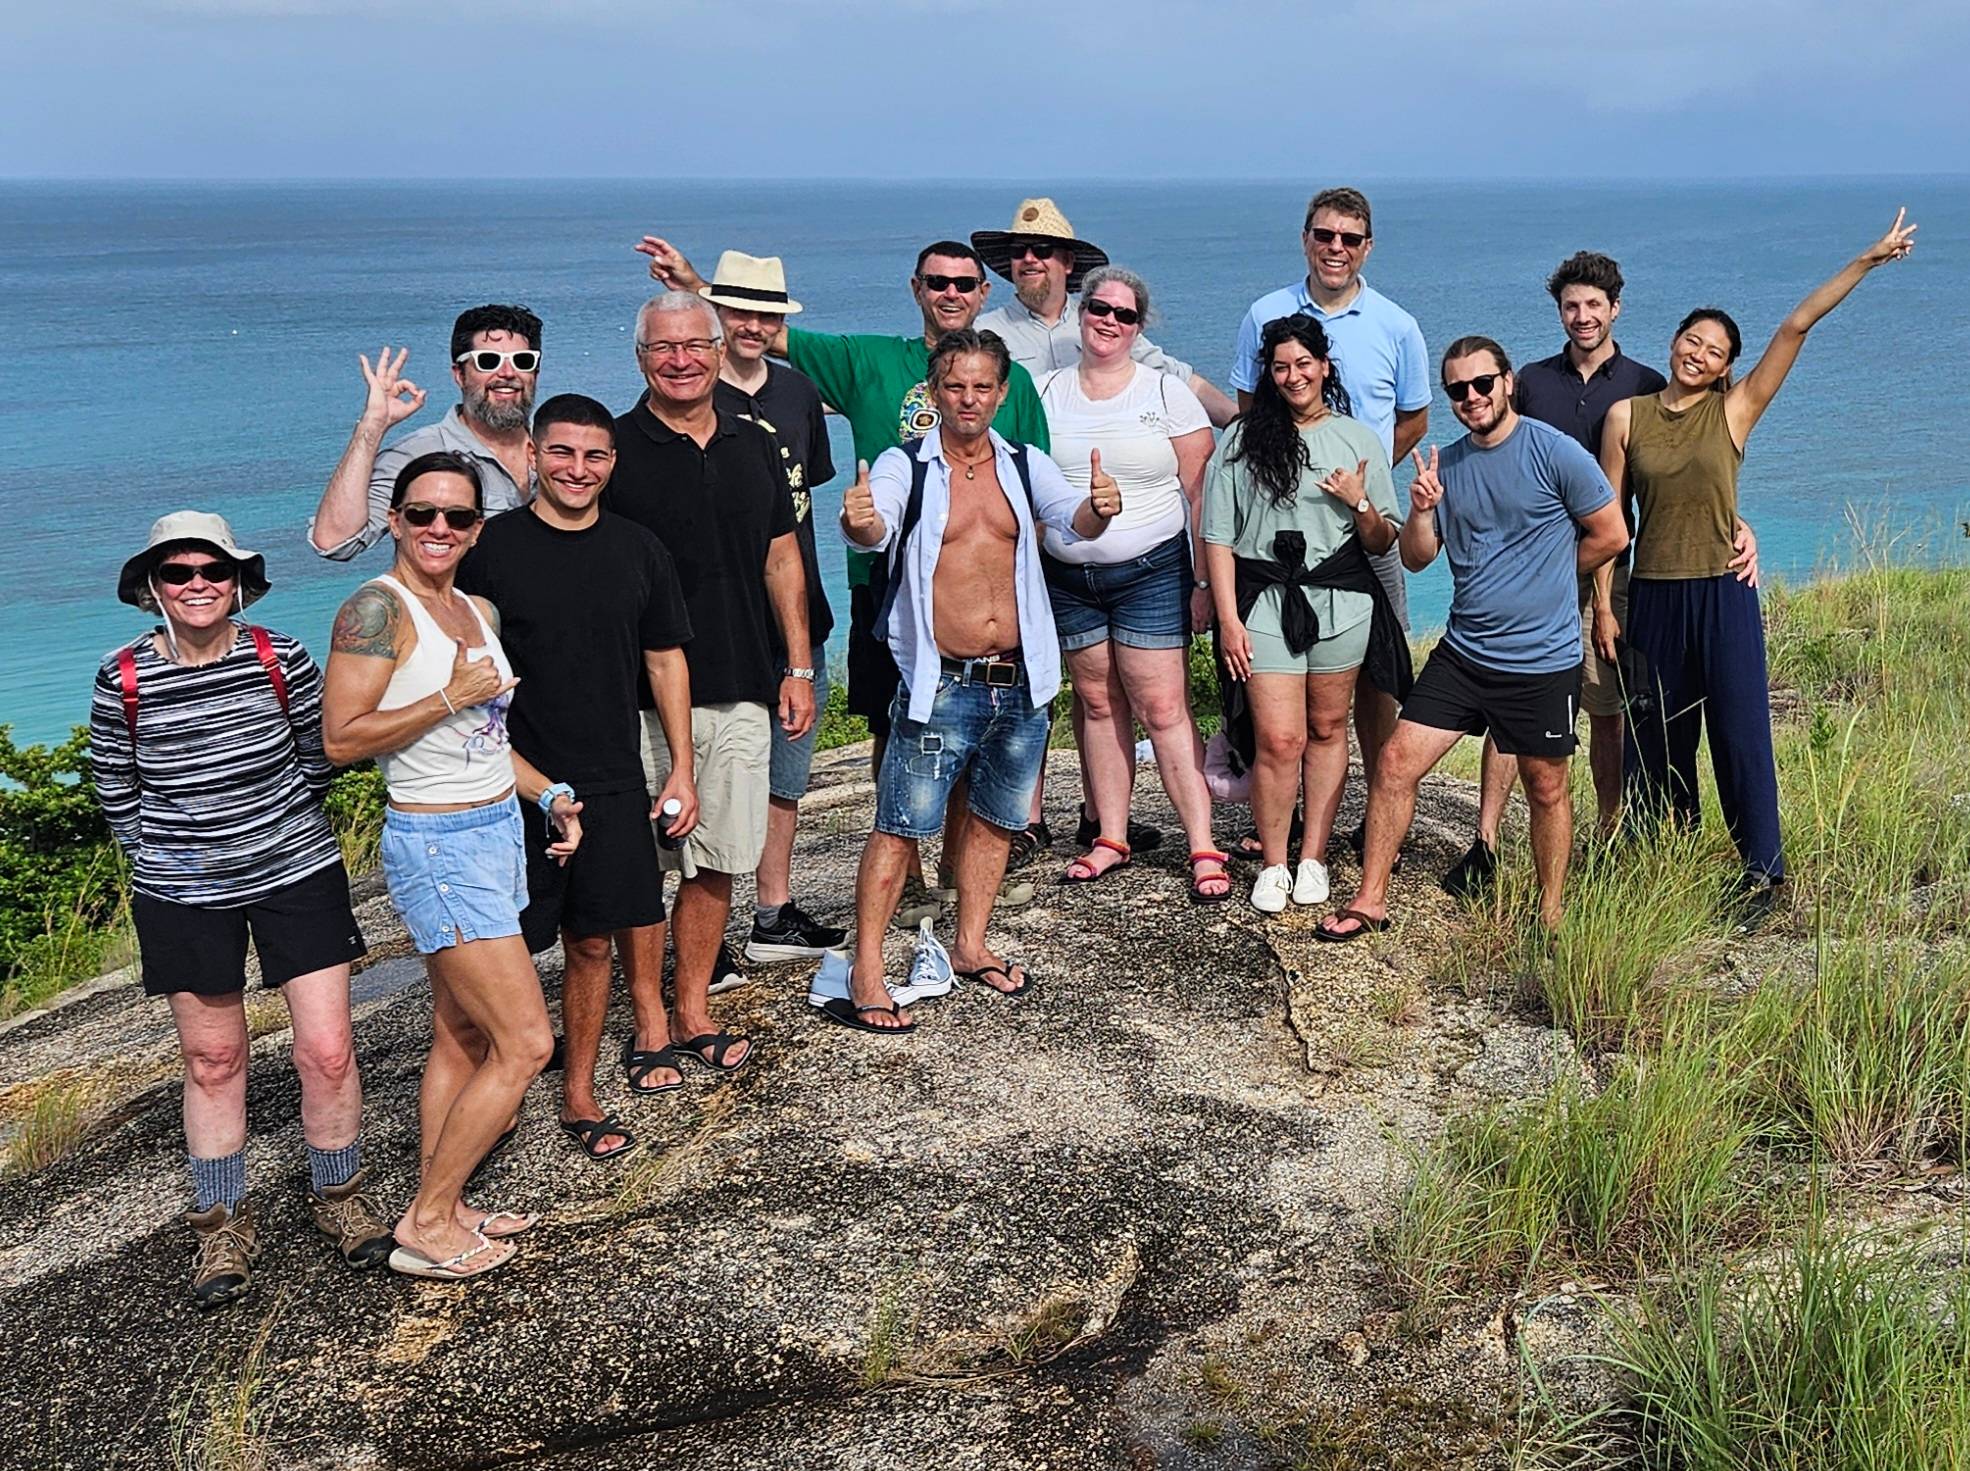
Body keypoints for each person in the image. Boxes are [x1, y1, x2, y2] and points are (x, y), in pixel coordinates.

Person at [637, 232, 1050, 918]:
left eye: (964, 283)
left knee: (976, 724)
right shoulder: (867, 358)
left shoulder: (1011, 377)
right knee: (900, 720)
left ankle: (961, 864)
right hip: (884, 577)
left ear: (984, 294)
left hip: (982, 585)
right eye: (936, 281)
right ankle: (909, 876)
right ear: (916, 288)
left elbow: (1034, 479)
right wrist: (695, 284)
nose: (950, 292)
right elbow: (757, 335)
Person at [91, 514, 387, 1310]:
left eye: (212, 571)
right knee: (214, 1061)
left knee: (326, 1048)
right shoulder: (120, 676)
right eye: (178, 572)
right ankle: (221, 1220)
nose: (197, 584)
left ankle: (340, 1192)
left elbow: (316, 753)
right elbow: (117, 788)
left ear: (237, 581)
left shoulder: (278, 655)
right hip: (183, 892)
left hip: (296, 869)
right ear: (152, 587)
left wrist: (282, 827)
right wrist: (168, 857)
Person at [1599, 210, 1918, 916]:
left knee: (1740, 731)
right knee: (1656, 737)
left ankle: (1761, 871)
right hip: (1652, 594)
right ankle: (1659, 857)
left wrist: (1866, 260)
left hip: (1723, 590)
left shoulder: (1735, 411)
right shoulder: (1627, 417)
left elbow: (1797, 325)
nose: (1698, 353)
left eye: (1713, 350)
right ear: (1675, 341)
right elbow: (1609, 522)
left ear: (1725, 368)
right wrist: (1602, 604)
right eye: (1692, 339)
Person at [322, 451, 569, 1280]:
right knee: (528, 1042)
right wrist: (446, 697)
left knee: (460, 1033)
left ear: (475, 529)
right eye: (422, 513)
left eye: (457, 517)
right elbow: (341, 737)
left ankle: (443, 1201)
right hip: (436, 844)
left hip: (494, 828)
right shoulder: (374, 611)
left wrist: (549, 794)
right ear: (393, 520)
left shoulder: (473, 608)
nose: (438, 528)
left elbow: (485, 739)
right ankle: (426, 1222)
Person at [833, 329, 1120, 1031]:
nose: (969, 398)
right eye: (955, 385)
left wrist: (1099, 508)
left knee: (995, 818)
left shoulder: (1025, 464)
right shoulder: (909, 467)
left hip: (1020, 679)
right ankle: (866, 968)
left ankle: (969, 942)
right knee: (900, 825)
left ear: (1001, 393)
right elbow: (878, 524)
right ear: (935, 393)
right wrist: (860, 522)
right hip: (944, 682)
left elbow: (1069, 523)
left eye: (983, 386)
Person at [1318, 338, 1628, 941]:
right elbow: (1414, 559)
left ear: (1507, 382)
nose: (1471, 398)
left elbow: (1612, 533)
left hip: (1541, 659)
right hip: (1465, 653)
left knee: (1546, 785)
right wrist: (1422, 511)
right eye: (1457, 390)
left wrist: (1549, 575)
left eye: (1482, 384)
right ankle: (1370, 898)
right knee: (1395, 763)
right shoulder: (1448, 466)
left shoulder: (1554, 452)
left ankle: (1550, 914)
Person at [455, 394, 698, 1161]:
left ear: (611, 464)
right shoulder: (489, 548)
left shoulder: (638, 549)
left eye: (595, 456)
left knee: (591, 943)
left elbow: (665, 658)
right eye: (562, 452)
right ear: (532, 454)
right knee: (496, 954)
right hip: (503, 779)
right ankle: (484, 1099)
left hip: (610, 774)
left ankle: (578, 1090)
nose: (577, 469)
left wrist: (682, 768)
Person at [608, 292, 815, 1075]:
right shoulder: (614, 449)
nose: (683, 358)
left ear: (719, 347)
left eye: (697, 344)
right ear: (641, 357)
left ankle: (693, 1003)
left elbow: (782, 557)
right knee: (639, 869)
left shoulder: (753, 443)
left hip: (740, 683)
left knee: (720, 857)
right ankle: (649, 1015)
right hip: (635, 696)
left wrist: (796, 664)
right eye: (665, 347)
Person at [1441, 252, 1673, 894]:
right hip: (1522, 580)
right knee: (1511, 707)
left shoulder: (1647, 384)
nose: (1583, 316)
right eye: (1572, 306)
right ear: (1560, 312)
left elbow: (1672, 472)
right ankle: (1484, 840)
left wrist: (1734, 523)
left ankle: (1606, 829)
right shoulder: (1532, 383)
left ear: (1616, 308)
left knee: (1602, 705)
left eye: (1594, 305)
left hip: (1605, 564)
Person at [1229, 188, 1430, 859]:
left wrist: (1360, 484)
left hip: (1361, 522)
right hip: (1284, 539)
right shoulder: (1267, 313)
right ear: (1306, 238)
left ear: (1368, 245)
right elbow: (1249, 411)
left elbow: (1414, 419)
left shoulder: (1396, 324)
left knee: (1379, 673)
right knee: (1279, 691)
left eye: (1350, 237)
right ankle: (1279, 821)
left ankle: (1380, 811)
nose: (1335, 247)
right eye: (1324, 234)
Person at [1034, 267, 1226, 900]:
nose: (1109, 321)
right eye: (1099, 308)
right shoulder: (1043, 391)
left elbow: (1201, 494)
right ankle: (1111, 836)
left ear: (1139, 325)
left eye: (1124, 314)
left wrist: (1202, 581)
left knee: (1165, 707)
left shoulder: (1166, 393)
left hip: (1150, 570)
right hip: (1067, 574)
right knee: (1096, 702)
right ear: (1081, 312)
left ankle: (1201, 843)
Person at [1206, 317, 1408, 913]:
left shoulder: (1357, 438)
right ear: (1269, 374)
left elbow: (1382, 539)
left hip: (1342, 602)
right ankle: (1273, 861)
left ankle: (1313, 857)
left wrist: (1359, 501)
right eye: (1280, 367)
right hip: (1265, 601)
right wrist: (1228, 620)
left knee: (1326, 730)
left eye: (1303, 364)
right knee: (1279, 737)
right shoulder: (1241, 440)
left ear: (1324, 367)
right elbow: (1218, 536)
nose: (1293, 376)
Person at [688, 252, 849, 965]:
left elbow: (804, 501)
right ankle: (704, 937)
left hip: (796, 612)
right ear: (718, 314)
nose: (751, 324)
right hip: (716, 620)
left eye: (765, 313)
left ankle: (772, 911)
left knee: (787, 773)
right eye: (739, 311)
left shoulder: (797, 392)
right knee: (705, 779)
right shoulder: (694, 397)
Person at [973, 196, 1237, 425]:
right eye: (1019, 251)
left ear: (1068, 262)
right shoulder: (983, 333)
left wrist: (1239, 425)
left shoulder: (1101, 322)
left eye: (1042, 249)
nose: (1029, 259)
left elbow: (1178, 377)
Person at [309, 305, 542, 560]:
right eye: (488, 361)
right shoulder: (418, 454)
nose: (507, 373)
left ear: (535, 372)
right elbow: (336, 541)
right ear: (459, 375)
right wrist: (371, 428)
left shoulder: (563, 454)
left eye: (522, 361)